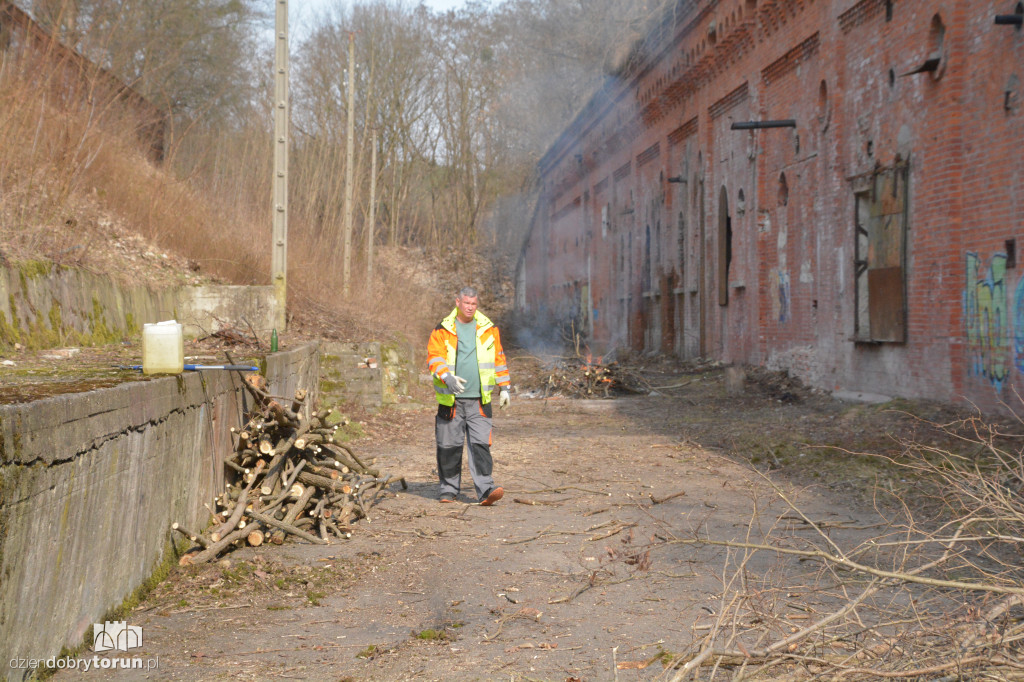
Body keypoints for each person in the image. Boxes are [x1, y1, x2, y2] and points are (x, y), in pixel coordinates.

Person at [426, 286, 511, 505]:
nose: (470, 307)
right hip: (450, 400)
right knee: (449, 447)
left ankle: (485, 490)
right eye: (467, 303)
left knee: (481, 446)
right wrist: (448, 377)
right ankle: (448, 490)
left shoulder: (489, 328)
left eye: (474, 304)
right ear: (458, 302)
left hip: (480, 401)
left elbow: (499, 358)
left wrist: (505, 387)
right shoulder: (443, 329)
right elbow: (434, 358)